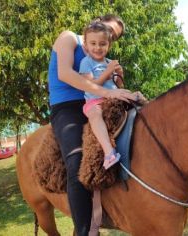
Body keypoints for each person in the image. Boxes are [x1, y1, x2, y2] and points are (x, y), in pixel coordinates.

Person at [48, 14, 144, 236]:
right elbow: (65, 73)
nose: (109, 36)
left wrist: (119, 80)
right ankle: (84, 231)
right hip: (67, 106)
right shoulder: (69, 38)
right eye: (109, 28)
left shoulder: (102, 55)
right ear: (98, 21)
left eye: (113, 37)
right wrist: (108, 91)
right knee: (76, 160)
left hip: (100, 99)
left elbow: (109, 84)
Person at [79, 21, 123, 170]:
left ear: (108, 46)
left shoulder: (110, 62)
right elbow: (92, 86)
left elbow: (118, 86)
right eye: (93, 43)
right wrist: (108, 71)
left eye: (102, 44)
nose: (98, 48)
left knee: (135, 96)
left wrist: (119, 76)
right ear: (86, 45)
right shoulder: (86, 62)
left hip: (112, 98)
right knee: (95, 115)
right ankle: (108, 152)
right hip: (95, 101)